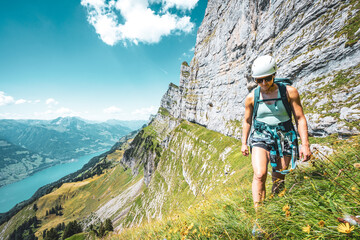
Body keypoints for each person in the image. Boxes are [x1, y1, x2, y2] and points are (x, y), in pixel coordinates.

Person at [241, 55, 312, 210]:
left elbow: (300, 118)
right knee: (259, 174)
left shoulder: (289, 92)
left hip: (285, 135)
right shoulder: (252, 97)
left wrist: (305, 145)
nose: (264, 83)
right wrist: (244, 143)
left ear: (274, 75)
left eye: (267, 78)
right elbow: (247, 121)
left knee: (279, 176)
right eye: (259, 80)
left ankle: (275, 208)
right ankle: (259, 217)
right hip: (261, 134)